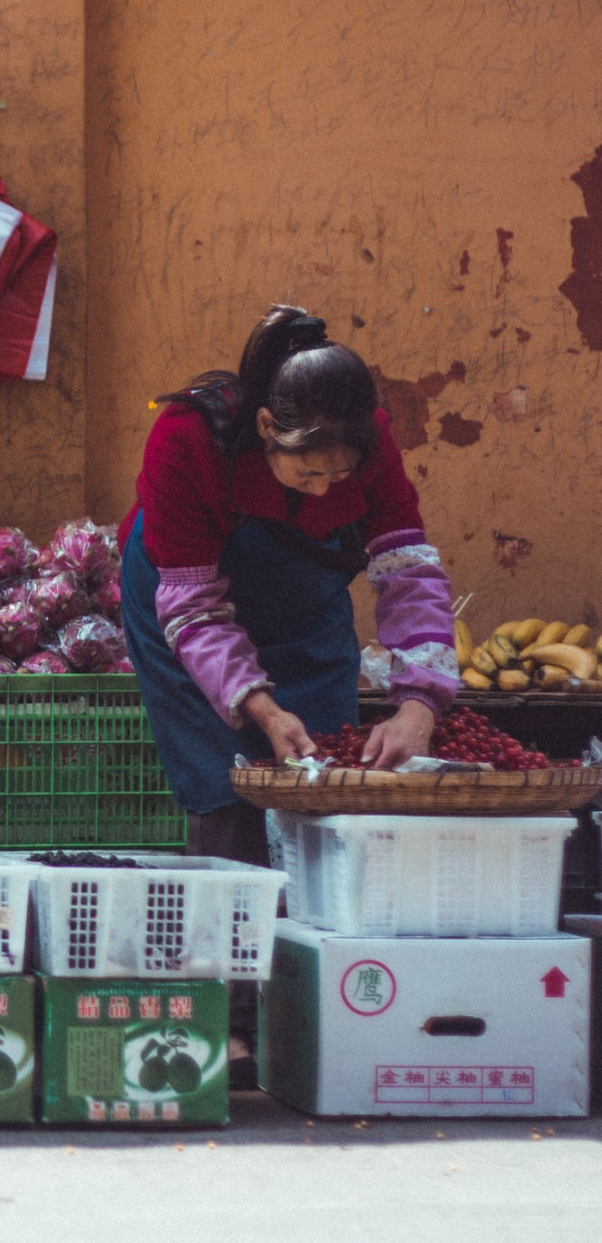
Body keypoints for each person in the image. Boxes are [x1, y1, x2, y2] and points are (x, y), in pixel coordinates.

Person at [118, 304, 458, 1080]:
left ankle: (314, 1000)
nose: (328, 484)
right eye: (308, 472)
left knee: (324, 788)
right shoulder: (185, 440)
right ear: (267, 427)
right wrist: (258, 705)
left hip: (303, 600)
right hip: (185, 599)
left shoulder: (366, 441)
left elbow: (407, 570)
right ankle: (228, 1014)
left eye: (340, 475)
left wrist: (419, 700)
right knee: (227, 792)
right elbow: (195, 604)